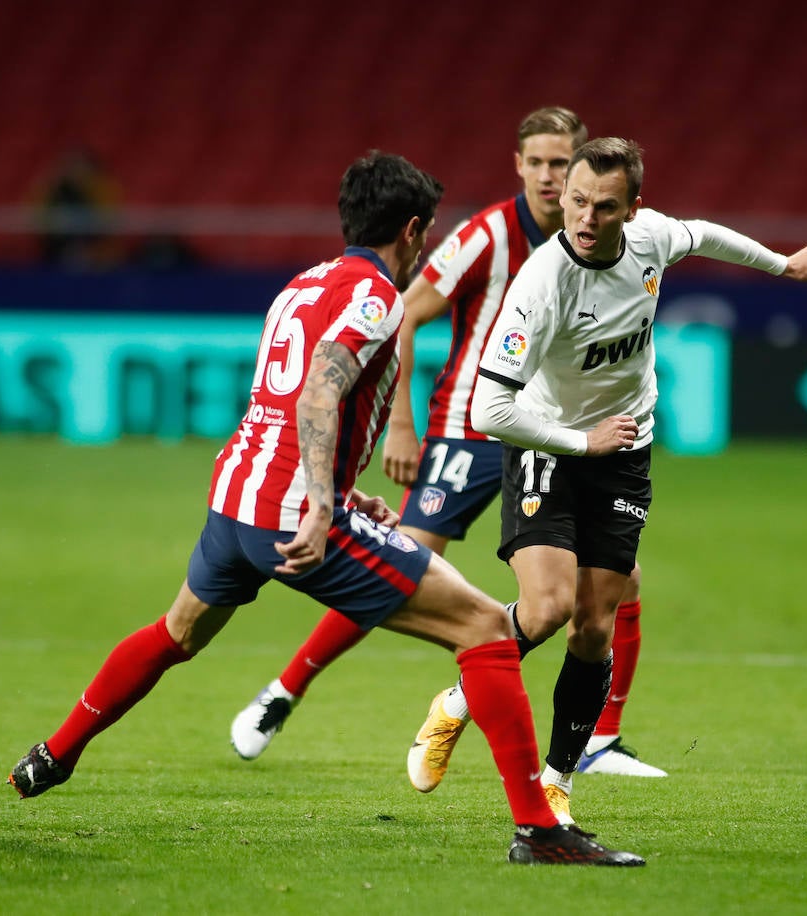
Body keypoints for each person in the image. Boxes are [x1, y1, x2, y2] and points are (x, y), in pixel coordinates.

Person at [7, 151, 643, 867]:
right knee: (488, 629)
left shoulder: (302, 285)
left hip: (235, 502)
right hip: (291, 512)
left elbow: (281, 403)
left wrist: (337, 489)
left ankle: (53, 755)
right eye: (425, 233)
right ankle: (539, 828)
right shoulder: (377, 297)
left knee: (177, 632)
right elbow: (317, 392)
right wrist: (319, 505)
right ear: (410, 230)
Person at [407, 137, 807, 824]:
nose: (583, 218)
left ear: (632, 211)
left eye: (602, 207)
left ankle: (557, 777)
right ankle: (457, 703)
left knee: (593, 627)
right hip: (549, 443)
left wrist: (783, 265)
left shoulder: (651, 239)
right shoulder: (542, 282)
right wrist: (579, 439)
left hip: (624, 451)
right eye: (576, 201)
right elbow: (489, 409)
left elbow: (702, 235)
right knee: (549, 608)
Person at [230, 107, 666, 779]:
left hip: (551, 434)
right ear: (518, 166)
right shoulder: (486, 234)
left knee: (617, 579)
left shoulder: (606, 238)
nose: (552, 178)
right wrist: (402, 423)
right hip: (470, 429)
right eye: (539, 163)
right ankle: (284, 691)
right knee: (398, 570)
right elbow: (406, 314)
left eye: (562, 163)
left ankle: (601, 737)